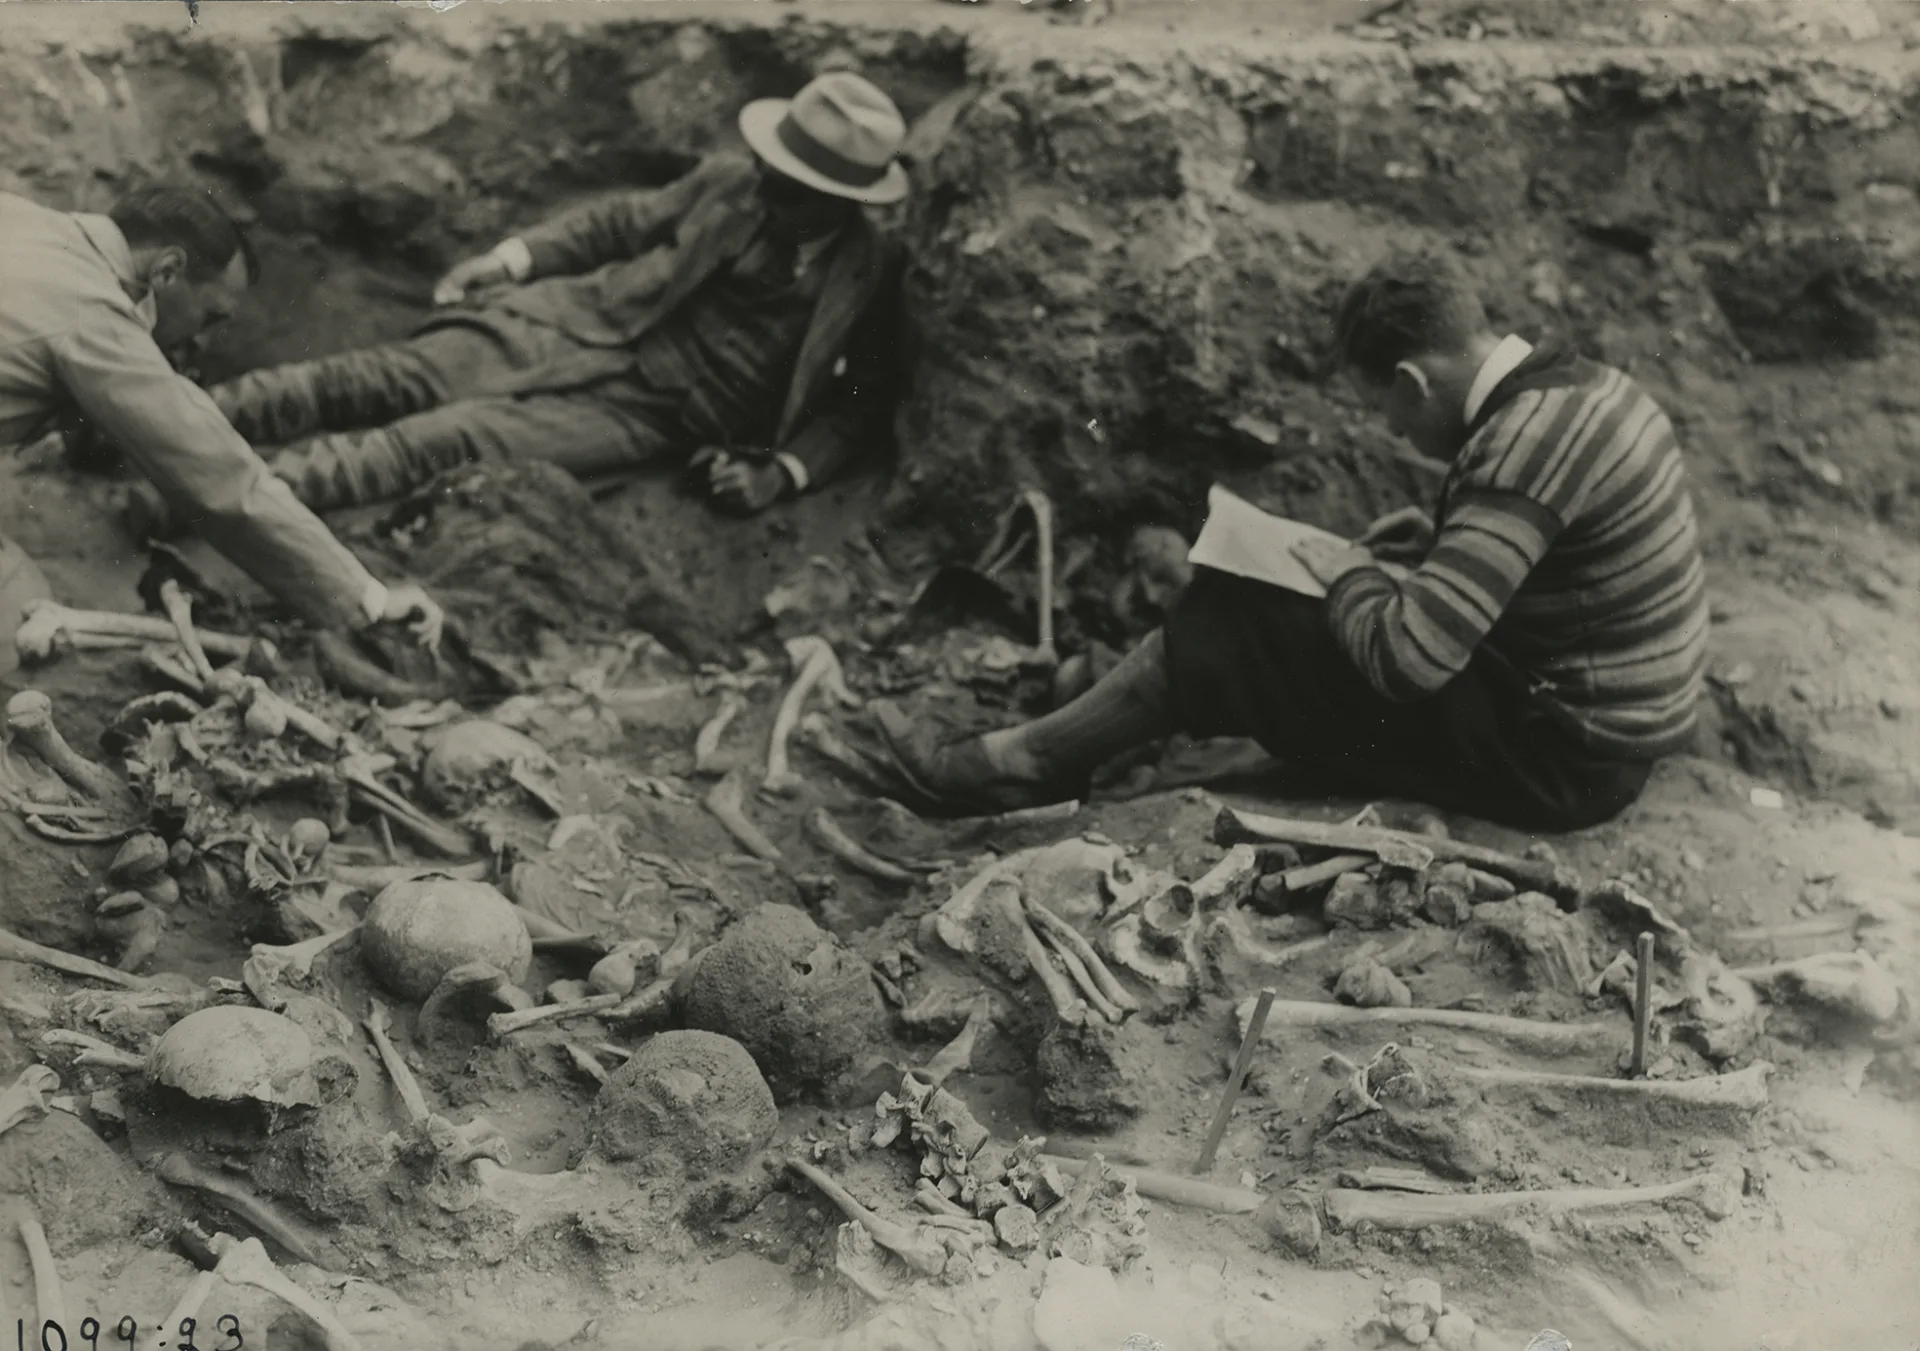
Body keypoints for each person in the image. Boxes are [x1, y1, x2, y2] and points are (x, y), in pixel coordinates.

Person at [875, 247, 1711, 833]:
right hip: (1597, 719)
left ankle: (1026, 758)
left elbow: (1408, 661)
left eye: (1389, 409)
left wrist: (1352, 574)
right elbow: (1563, 569)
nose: (1395, 429)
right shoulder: (1587, 386)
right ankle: (1092, 714)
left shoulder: (1518, 447)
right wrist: (1428, 547)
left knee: (1245, 617)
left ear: (1414, 381)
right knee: (1299, 596)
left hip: (1565, 760)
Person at [192, 71, 909, 519]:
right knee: (378, 377)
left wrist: (781, 474)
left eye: (781, 184)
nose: (760, 187)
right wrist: (511, 261)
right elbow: (619, 223)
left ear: (835, 200)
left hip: (653, 413)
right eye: (763, 166)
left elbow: (865, 401)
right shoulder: (729, 182)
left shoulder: (868, 273)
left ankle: (187, 501)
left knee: (439, 441)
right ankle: (154, 426)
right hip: (582, 320)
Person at [0, 185, 445, 653]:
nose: (204, 341)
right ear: (167, 271)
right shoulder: (96, 319)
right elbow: (218, 478)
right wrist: (366, 599)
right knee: (21, 630)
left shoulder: (25, 217)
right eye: (211, 317)